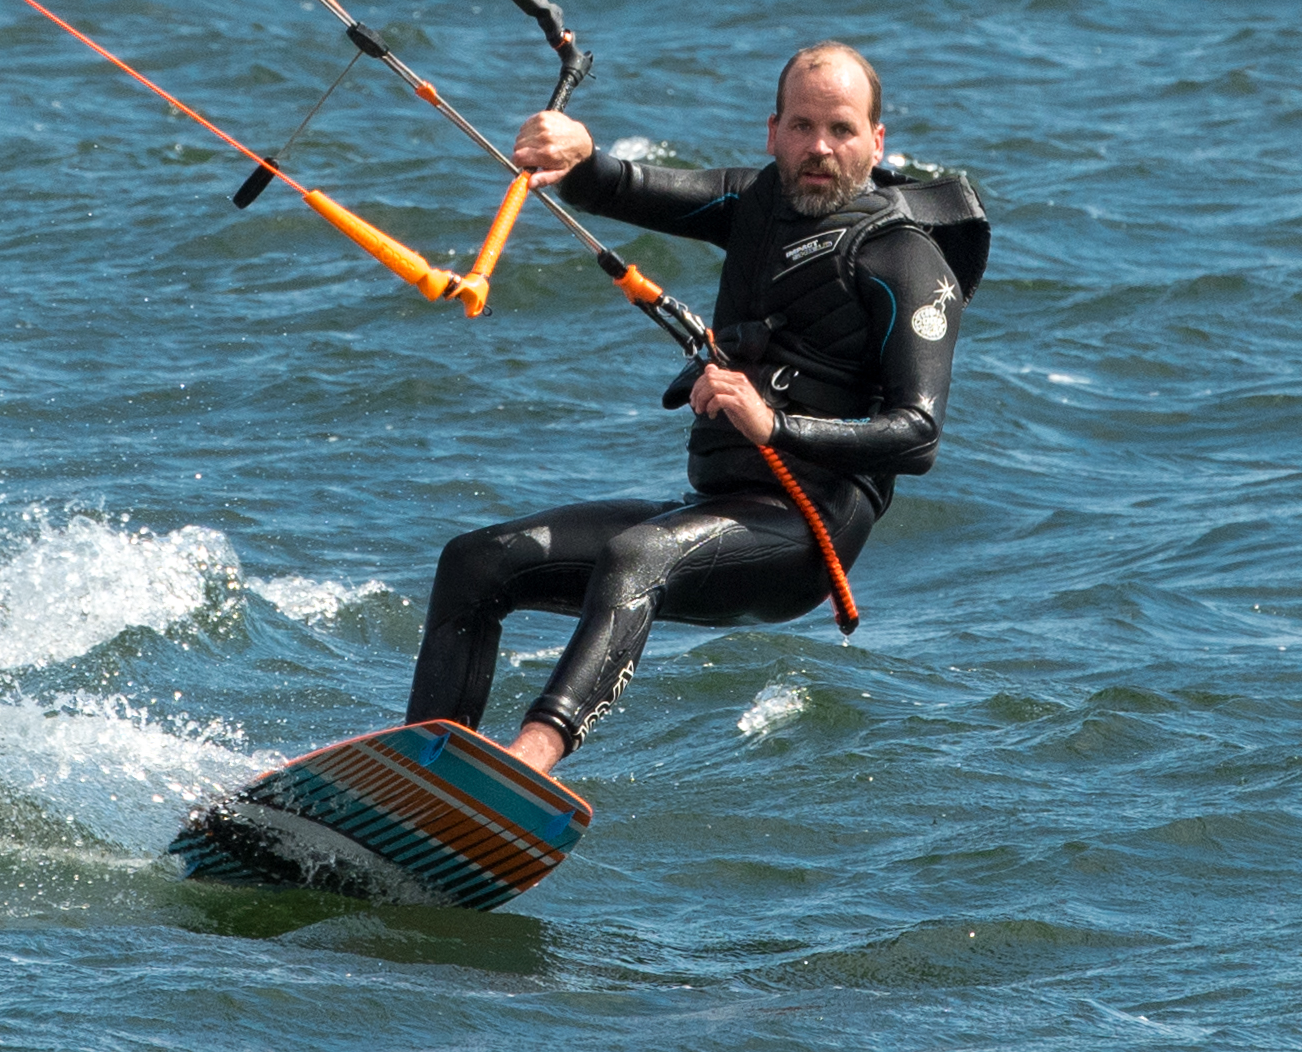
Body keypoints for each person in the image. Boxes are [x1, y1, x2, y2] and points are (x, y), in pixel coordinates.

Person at [403, 41, 987, 774]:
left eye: (840, 130)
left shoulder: (904, 257)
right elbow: (627, 187)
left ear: (875, 141)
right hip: (714, 508)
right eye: (801, 128)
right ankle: (420, 768)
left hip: (806, 535)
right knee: (476, 563)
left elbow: (918, 436)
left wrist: (775, 424)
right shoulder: (757, 203)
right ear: (771, 131)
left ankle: (529, 758)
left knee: (636, 555)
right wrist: (578, 157)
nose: (818, 148)